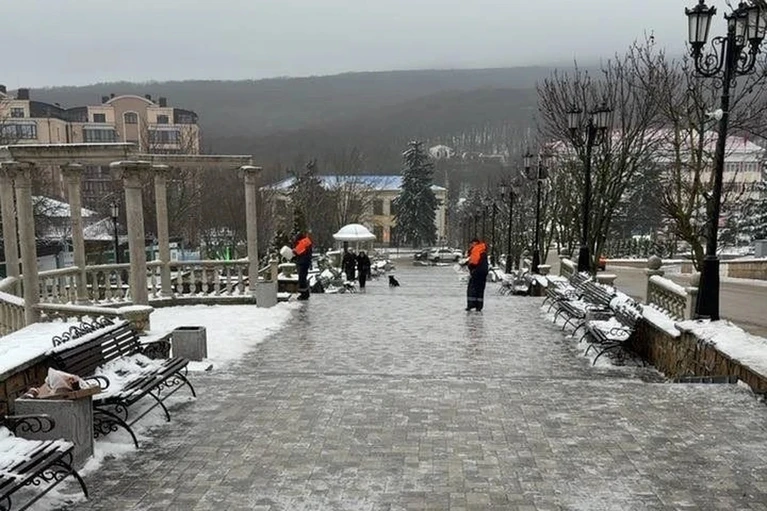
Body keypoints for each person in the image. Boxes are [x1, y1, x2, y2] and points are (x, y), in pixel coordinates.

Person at [465, 237, 489, 312]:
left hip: (477, 272)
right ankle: (479, 306)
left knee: (472, 289)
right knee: (480, 289)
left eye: (471, 244)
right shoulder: (482, 250)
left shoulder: (476, 249)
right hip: (483, 272)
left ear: (474, 243)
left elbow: (474, 262)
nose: (470, 245)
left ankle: (471, 304)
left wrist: (469, 266)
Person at [292, 231, 313, 300]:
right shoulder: (306, 241)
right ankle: (305, 293)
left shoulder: (303, 242)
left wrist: (293, 252)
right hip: (305, 262)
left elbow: (298, 251)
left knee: (302, 279)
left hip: (303, 263)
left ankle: (304, 295)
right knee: (303, 278)